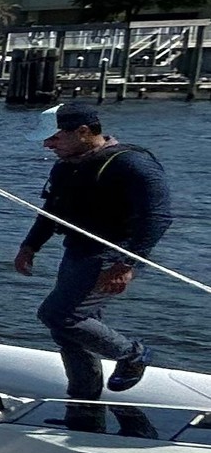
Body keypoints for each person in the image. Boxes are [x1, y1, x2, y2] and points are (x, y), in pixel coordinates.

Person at [12, 99, 173, 429]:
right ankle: (84, 411)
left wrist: (126, 264)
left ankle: (132, 354)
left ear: (83, 132)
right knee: (68, 331)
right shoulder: (65, 165)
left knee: (59, 314)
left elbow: (157, 218)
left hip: (111, 256)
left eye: (55, 138)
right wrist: (30, 245)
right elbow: (51, 213)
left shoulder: (131, 163)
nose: (48, 144)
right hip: (78, 252)